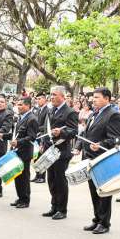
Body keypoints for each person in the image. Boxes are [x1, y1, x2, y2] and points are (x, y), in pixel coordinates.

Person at [79, 88, 120, 234]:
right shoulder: (94, 114)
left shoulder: (113, 114)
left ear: (107, 98)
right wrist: (80, 147)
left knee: (103, 191)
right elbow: (86, 133)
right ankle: (97, 219)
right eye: (93, 97)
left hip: (102, 159)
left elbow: (117, 139)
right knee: (93, 190)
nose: (93, 100)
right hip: (89, 158)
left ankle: (104, 223)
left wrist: (101, 145)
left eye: (97, 97)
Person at [42, 86, 78, 220]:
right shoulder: (51, 110)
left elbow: (74, 131)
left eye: (54, 94)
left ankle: (62, 209)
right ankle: (54, 206)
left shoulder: (70, 112)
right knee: (51, 179)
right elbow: (46, 129)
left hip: (62, 151)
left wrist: (61, 132)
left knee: (60, 181)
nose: (51, 97)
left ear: (62, 96)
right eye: (50, 94)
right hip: (50, 150)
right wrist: (43, 142)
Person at [10, 97, 38, 208]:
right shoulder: (20, 118)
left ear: (27, 106)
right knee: (18, 176)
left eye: (21, 104)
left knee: (24, 177)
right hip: (17, 151)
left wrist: (18, 142)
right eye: (18, 104)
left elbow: (31, 137)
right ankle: (20, 197)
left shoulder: (32, 119)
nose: (18, 106)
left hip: (25, 152)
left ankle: (25, 200)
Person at [31, 92, 49, 183]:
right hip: (36, 136)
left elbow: (46, 125)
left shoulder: (47, 110)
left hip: (42, 135)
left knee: (42, 156)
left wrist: (38, 129)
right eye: (37, 99)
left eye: (40, 99)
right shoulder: (37, 110)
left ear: (45, 99)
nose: (38, 101)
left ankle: (42, 176)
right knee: (36, 156)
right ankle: (37, 174)